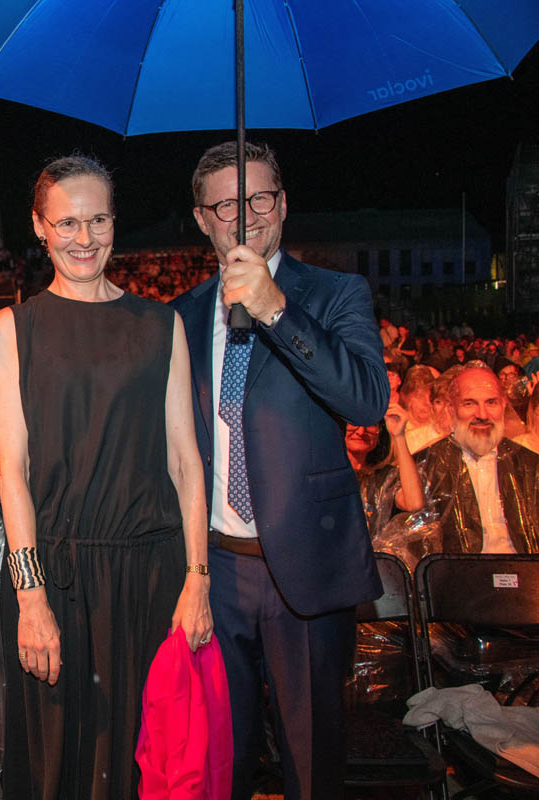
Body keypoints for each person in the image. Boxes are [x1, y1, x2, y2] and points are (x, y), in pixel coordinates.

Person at [0, 154, 211, 800]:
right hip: (53, 579)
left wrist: (198, 579)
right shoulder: (14, 328)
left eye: (98, 220)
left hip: (150, 576)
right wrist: (31, 598)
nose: (83, 238)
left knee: (148, 763)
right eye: (67, 223)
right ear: (39, 226)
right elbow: (13, 474)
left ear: (115, 221)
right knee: (56, 767)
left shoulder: (161, 325)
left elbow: (185, 463)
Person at [171, 141, 388, 800]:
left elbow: (365, 400)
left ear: (284, 204)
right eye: (225, 205)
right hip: (214, 572)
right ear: (202, 219)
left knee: (313, 760)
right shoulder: (180, 316)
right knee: (221, 761)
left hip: (309, 567)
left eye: (259, 197)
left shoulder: (336, 293)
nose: (245, 215)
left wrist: (275, 309)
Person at [414, 363, 539, 554]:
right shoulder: (426, 466)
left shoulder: (530, 466)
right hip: (456, 571)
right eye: (469, 404)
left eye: (491, 403)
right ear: (451, 409)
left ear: (503, 405)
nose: (482, 415)